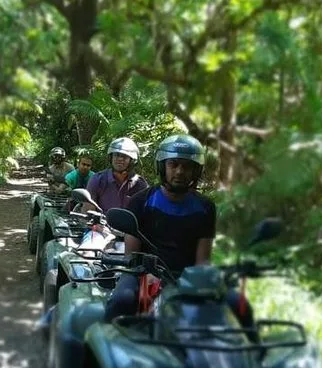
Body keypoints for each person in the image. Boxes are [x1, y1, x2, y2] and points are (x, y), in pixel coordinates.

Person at [103, 134, 255, 333]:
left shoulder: (205, 207)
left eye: (187, 166)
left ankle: (253, 349)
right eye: (173, 164)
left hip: (188, 279)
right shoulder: (141, 201)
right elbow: (132, 257)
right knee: (122, 301)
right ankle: (104, 342)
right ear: (163, 166)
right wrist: (148, 275)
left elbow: (203, 260)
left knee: (239, 304)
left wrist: (208, 280)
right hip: (145, 275)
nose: (180, 171)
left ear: (195, 170)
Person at [83, 137, 148, 212]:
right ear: (111, 157)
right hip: (102, 219)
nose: (120, 159)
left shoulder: (140, 184)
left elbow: (146, 213)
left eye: (124, 156)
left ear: (132, 161)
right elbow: (88, 211)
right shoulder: (98, 180)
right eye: (117, 155)